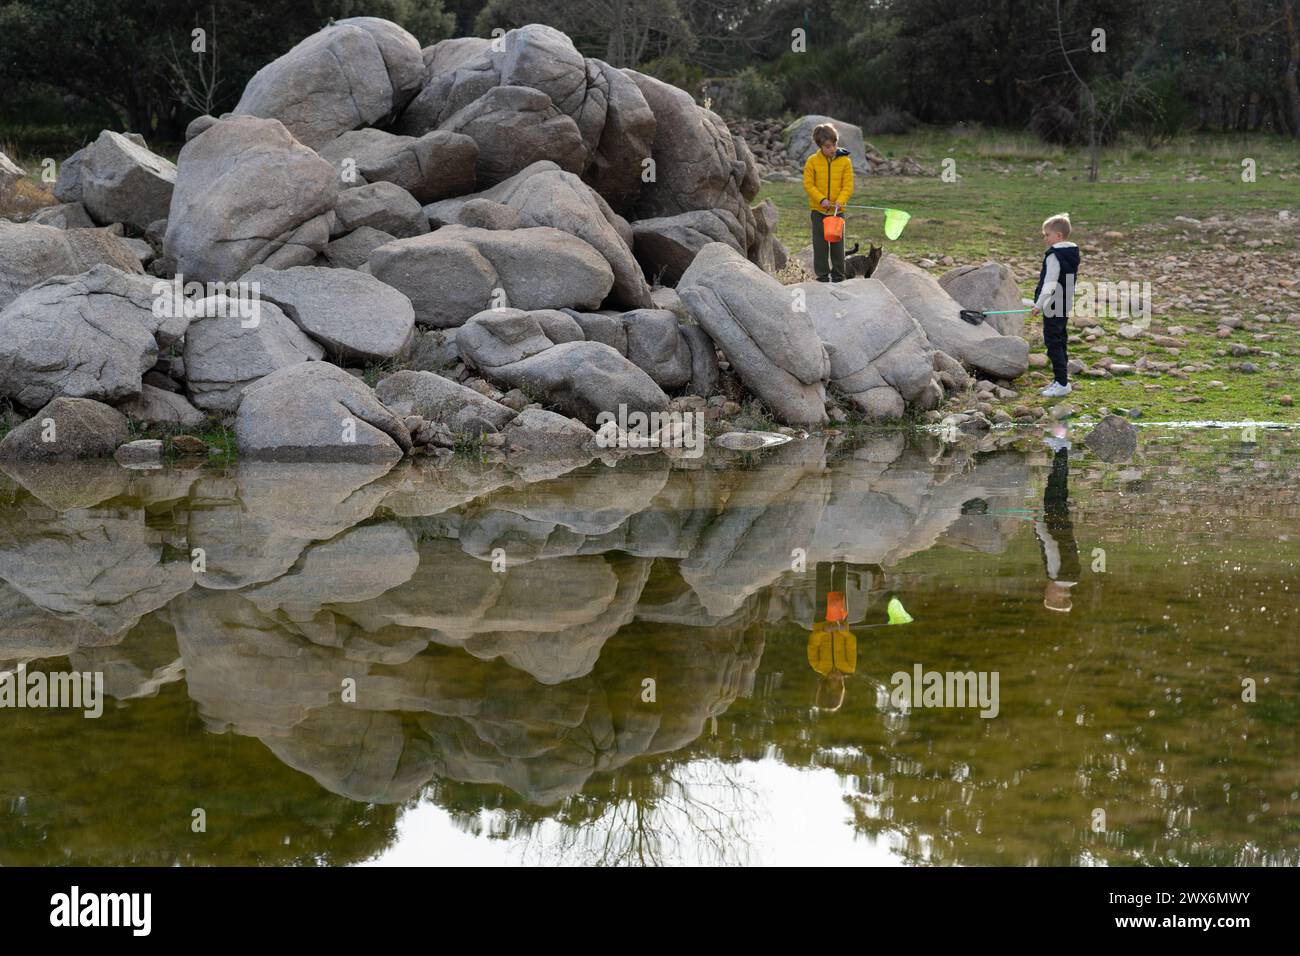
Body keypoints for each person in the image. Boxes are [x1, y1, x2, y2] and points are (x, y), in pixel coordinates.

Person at [1031, 212, 1081, 399]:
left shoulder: (1054, 255)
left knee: (1053, 343)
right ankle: (1061, 380)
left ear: (1058, 236)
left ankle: (1061, 383)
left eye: (1047, 235)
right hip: (1064, 302)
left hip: (1052, 304)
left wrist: (1039, 304)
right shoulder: (1071, 253)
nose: (1045, 238)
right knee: (1060, 340)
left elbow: (1050, 283)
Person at [1036, 424, 1081, 612]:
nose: (1046, 591)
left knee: (1060, 485)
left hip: (1065, 524)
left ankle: (1061, 447)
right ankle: (1061, 444)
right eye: (1048, 595)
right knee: (1055, 485)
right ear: (1055, 595)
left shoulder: (1075, 576)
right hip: (1053, 522)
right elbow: (1051, 547)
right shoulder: (1056, 575)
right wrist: (1038, 525)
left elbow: (1074, 547)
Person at [801, 123, 854, 283]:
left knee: (838, 247)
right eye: (828, 146)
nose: (832, 149)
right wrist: (822, 199)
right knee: (820, 246)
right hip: (818, 211)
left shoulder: (845, 161)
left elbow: (848, 185)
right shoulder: (812, 161)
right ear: (820, 146)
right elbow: (808, 184)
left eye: (834, 145)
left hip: (838, 212)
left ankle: (839, 276)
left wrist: (840, 201)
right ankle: (822, 277)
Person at [808, 562, 857, 711]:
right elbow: (851, 642)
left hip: (821, 622)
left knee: (822, 593)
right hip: (841, 622)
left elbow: (812, 644)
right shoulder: (849, 667)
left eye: (831, 679)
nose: (835, 675)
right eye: (838, 680)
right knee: (839, 592)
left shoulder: (817, 666)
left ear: (824, 681)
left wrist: (824, 631)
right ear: (842, 684)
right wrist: (842, 630)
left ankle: (823, 566)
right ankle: (842, 566)